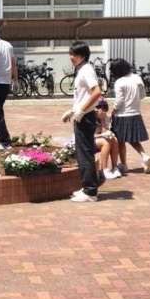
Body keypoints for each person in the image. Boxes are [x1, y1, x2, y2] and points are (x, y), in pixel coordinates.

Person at [62, 41, 102, 202]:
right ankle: (87, 187)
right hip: (82, 115)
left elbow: (97, 92)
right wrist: (73, 110)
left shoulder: (86, 70)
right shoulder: (81, 70)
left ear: (83, 56)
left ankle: (90, 192)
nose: (71, 57)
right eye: (70, 54)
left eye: (74, 54)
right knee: (83, 152)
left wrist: (82, 110)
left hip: (85, 117)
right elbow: (83, 95)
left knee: (85, 153)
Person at [110, 58, 150, 174]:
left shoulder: (119, 82)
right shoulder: (136, 78)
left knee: (120, 141)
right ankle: (144, 155)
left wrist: (113, 110)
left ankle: (124, 165)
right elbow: (143, 95)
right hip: (136, 113)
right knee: (133, 139)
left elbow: (119, 100)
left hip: (122, 114)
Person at [94, 98, 121, 180]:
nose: (101, 110)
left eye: (104, 107)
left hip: (98, 139)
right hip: (87, 141)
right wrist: (102, 135)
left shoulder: (105, 117)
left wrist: (102, 120)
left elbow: (106, 132)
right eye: (99, 107)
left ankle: (115, 168)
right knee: (105, 142)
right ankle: (104, 170)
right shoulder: (90, 118)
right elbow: (88, 135)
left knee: (114, 140)